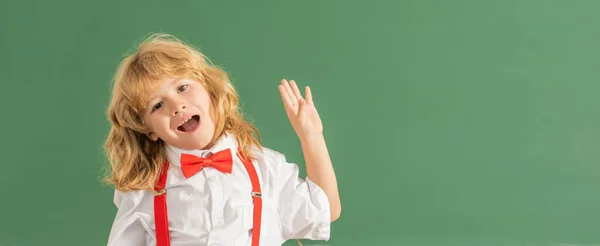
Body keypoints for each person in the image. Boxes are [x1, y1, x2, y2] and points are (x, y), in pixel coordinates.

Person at [103, 33, 341, 246]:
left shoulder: (266, 167)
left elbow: (325, 211)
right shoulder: (144, 191)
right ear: (148, 130)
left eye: (182, 87)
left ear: (210, 90)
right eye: (157, 105)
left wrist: (311, 136)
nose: (177, 106)